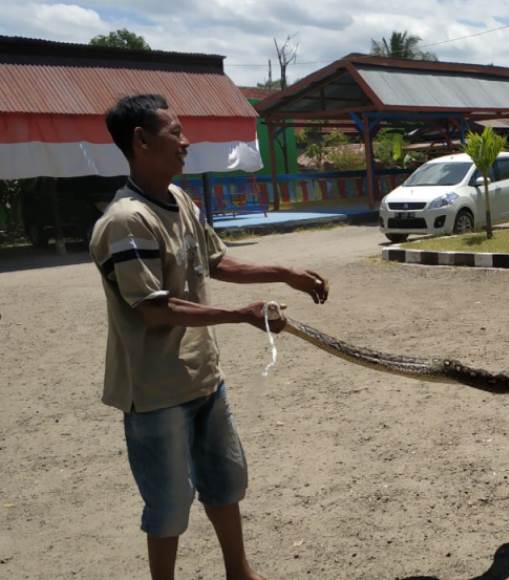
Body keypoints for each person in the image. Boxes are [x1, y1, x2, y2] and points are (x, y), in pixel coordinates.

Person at [90, 94, 330, 579]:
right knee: (168, 504)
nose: (185, 141)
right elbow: (157, 311)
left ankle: (239, 573)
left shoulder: (179, 200)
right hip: (155, 392)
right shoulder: (125, 222)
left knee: (224, 482)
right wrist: (242, 314)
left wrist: (283, 271)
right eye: (175, 132)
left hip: (204, 378)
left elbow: (216, 261)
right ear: (140, 141)